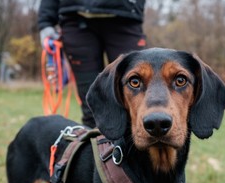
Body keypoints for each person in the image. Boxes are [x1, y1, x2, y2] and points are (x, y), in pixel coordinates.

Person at [38, 0, 147, 128]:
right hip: (76, 19)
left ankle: (137, 144)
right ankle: (93, 145)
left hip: (126, 16)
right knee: (89, 103)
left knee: (137, 93)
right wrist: (45, 22)